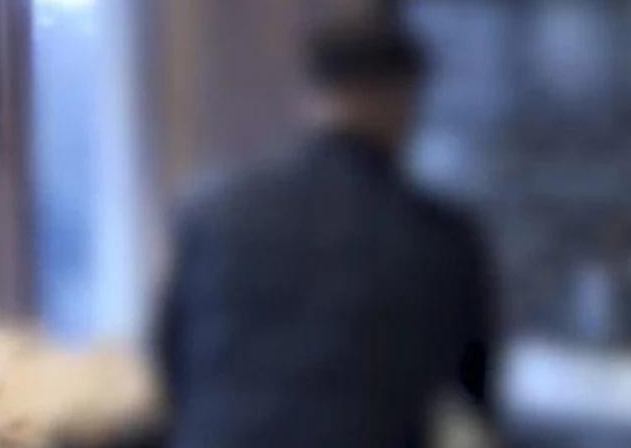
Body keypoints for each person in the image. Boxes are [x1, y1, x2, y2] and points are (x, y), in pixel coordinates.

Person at [156, 22, 493, 448]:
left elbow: (170, 359)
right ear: (401, 99)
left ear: (313, 95)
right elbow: (471, 391)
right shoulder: (436, 235)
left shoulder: (215, 210)